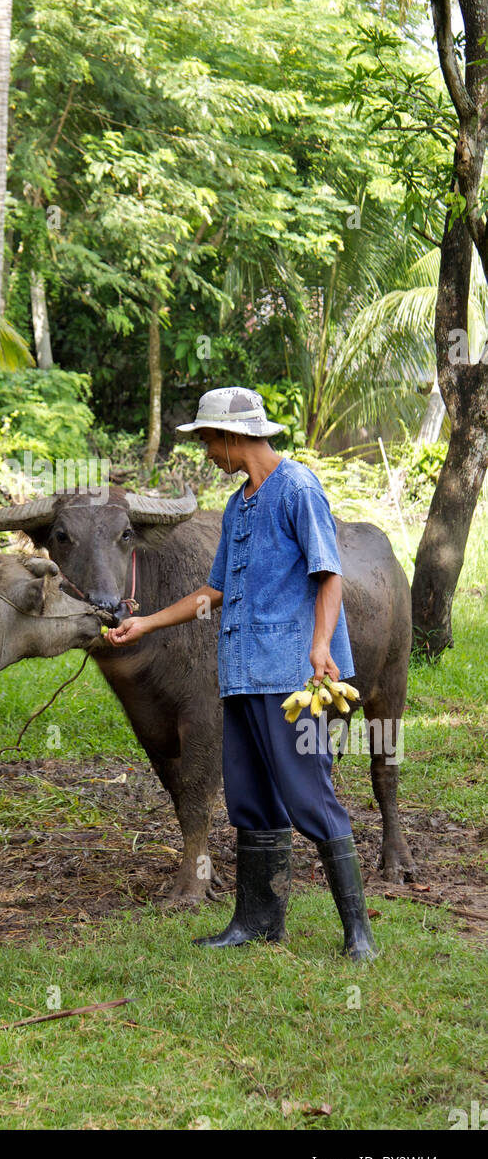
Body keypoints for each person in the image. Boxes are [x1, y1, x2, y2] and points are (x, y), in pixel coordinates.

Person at [106, 386, 377, 962]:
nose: (207, 453)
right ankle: (257, 921)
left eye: (208, 441)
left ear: (233, 438)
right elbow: (215, 591)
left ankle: (358, 932)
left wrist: (322, 645)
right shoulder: (239, 505)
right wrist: (148, 622)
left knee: (308, 794)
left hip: (291, 677)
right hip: (242, 674)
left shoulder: (298, 488)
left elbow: (327, 573)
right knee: (250, 800)